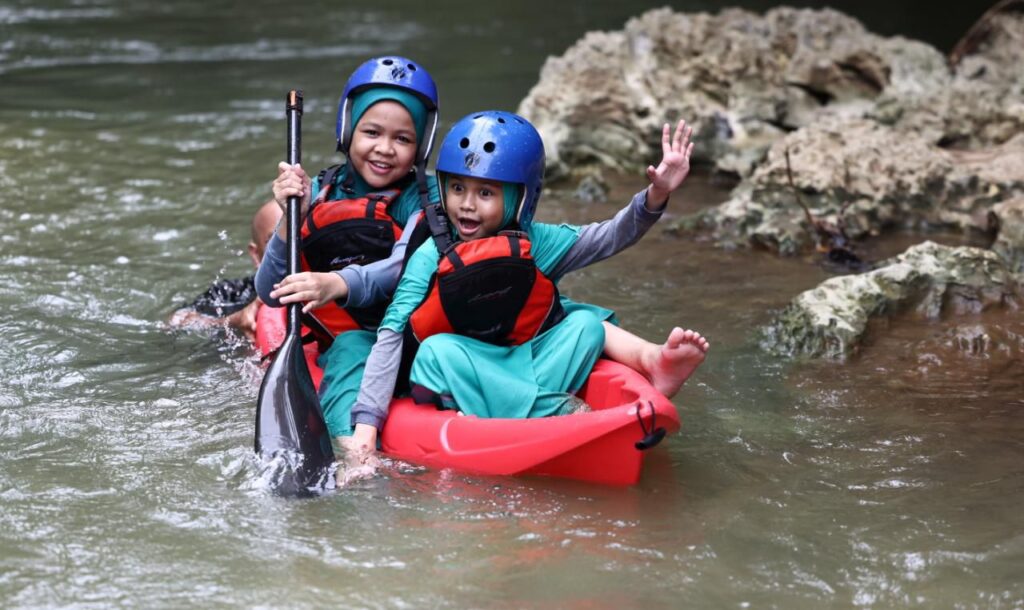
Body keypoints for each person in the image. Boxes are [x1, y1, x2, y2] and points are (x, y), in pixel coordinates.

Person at [342, 110, 709, 474]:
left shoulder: (539, 241)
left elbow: (611, 236)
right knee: (436, 352)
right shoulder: (430, 253)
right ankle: (558, 411)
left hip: (525, 364)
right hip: (462, 371)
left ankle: (531, 406)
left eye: (485, 192)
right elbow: (392, 331)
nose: (466, 204)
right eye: (457, 188)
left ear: (521, 198)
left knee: (586, 325)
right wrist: (366, 429)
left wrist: (656, 194)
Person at [254, 55, 442, 445]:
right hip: (347, 341)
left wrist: (335, 283)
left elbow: (403, 268)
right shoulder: (320, 191)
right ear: (347, 130)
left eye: (403, 139)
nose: (385, 149)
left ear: (420, 145)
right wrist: (293, 219)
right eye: (372, 132)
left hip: (408, 337)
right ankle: (350, 449)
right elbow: (269, 289)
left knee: (359, 343)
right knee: (353, 345)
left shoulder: (426, 198)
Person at [169, 200, 281, 341]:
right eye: (276, 242)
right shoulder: (233, 294)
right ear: (256, 255)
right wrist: (233, 321)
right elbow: (175, 322)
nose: (292, 249)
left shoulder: (317, 283)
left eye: (301, 237)